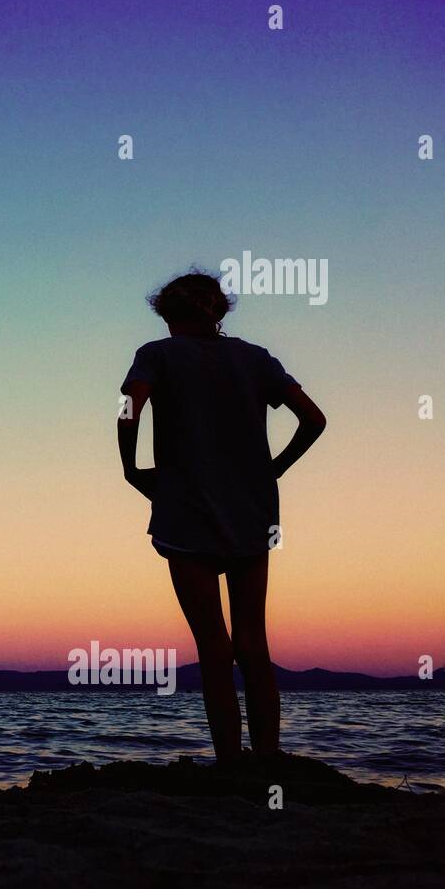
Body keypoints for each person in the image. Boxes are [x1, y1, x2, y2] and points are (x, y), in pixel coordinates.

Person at [118, 269, 326, 764]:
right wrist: (272, 470)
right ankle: (269, 758)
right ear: (220, 311)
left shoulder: (157, 354)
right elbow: (314, 420)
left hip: (185, 509)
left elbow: (130, 407)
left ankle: (231, 762)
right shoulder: (256, 358)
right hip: (252, 511)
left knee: (214, 645)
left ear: (168, 314)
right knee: (254, 642)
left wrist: (130, 468)